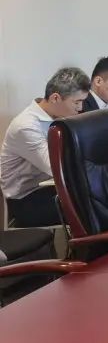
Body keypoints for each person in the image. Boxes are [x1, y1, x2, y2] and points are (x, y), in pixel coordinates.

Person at [0, 67, 90, 226]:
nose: (80, 108)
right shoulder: (26, 126)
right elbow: (56, 168)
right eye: (76, 102)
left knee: (104, 195)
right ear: (55, 98)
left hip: (51, 187)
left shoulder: (60, 116)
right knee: (91, 205)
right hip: (25, 199)